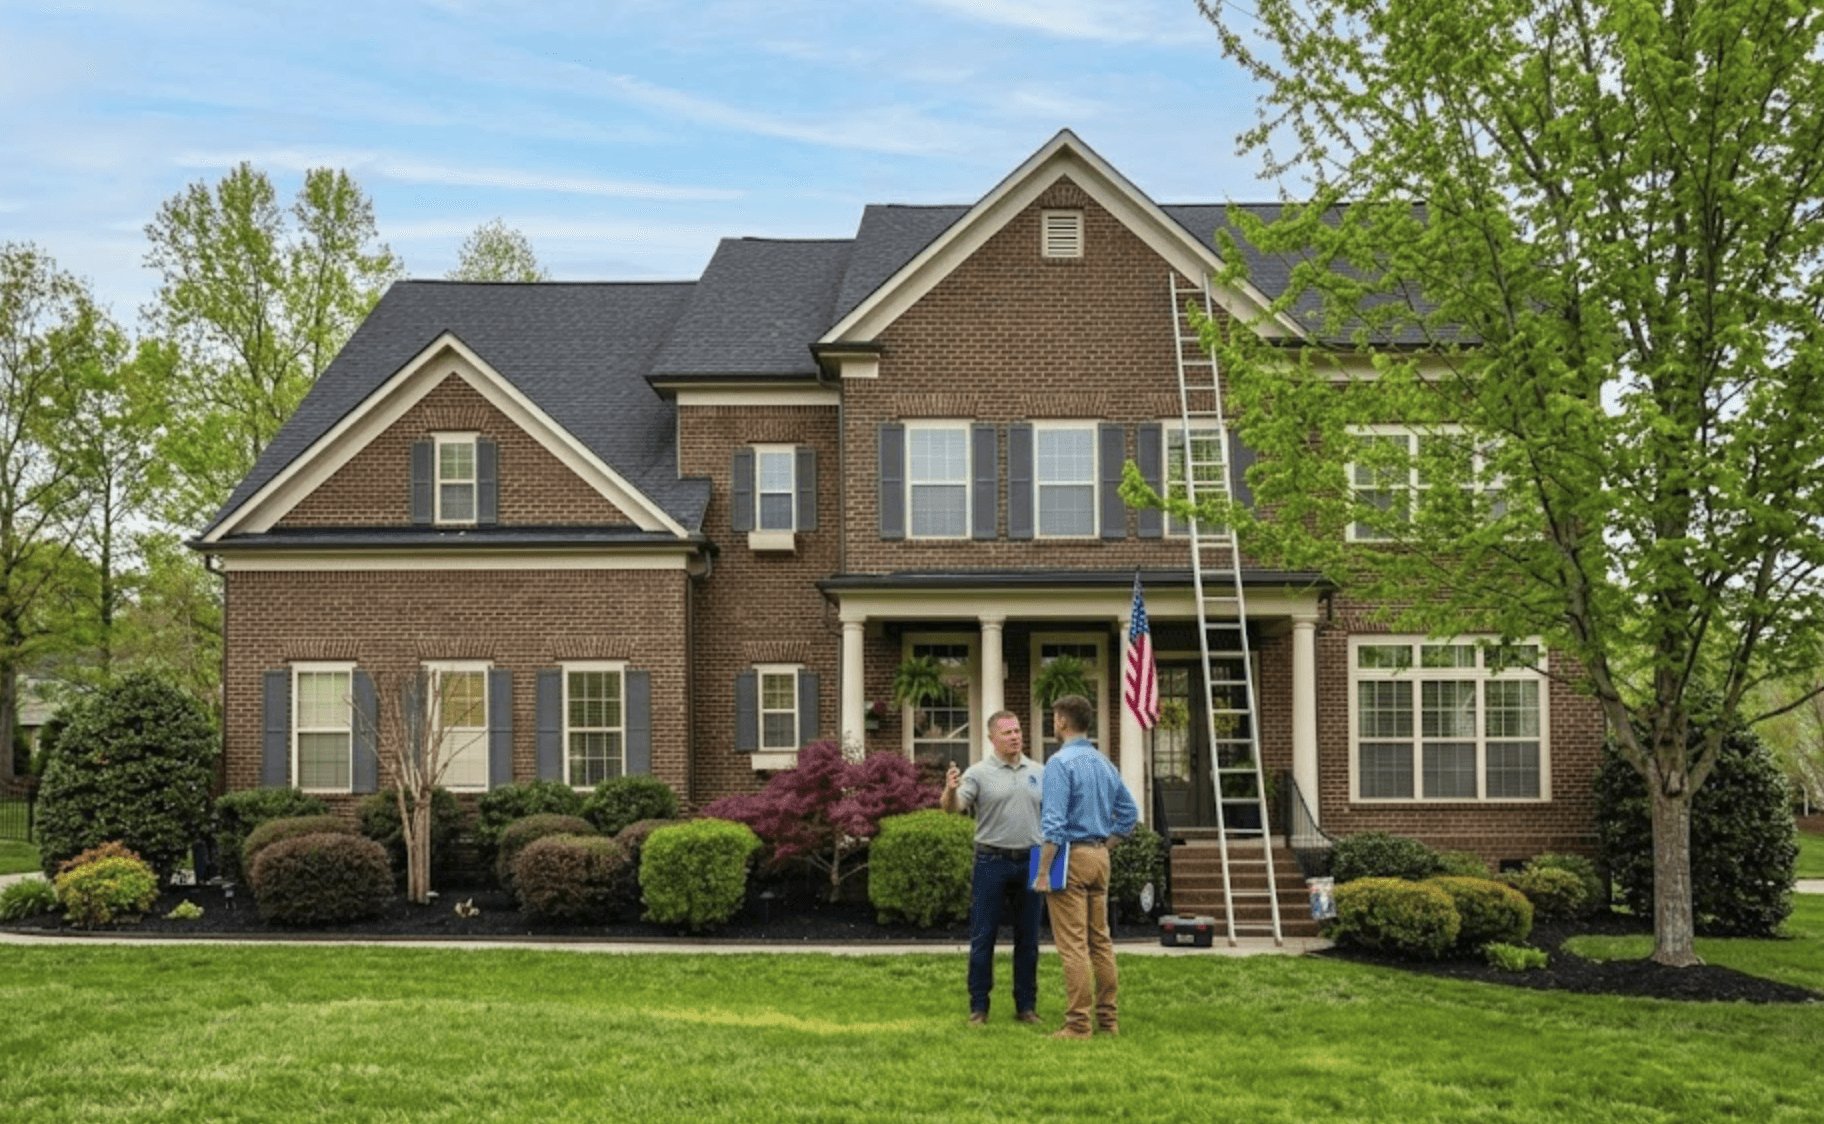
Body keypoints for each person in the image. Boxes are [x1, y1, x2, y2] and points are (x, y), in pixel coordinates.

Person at [1032, 693, 1138, 1039]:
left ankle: (1078, 1024)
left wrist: (1044, 871)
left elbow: (1054, 825)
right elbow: (1130, 815)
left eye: (1054, 718)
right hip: (1099, 857)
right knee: (1100, 942)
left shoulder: (1059, 764)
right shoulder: (1105, 763)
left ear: (1062, 722)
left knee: (1073, 945)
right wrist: (1106, 844)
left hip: (1070, 858)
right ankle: (1109, 1022)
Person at [942, 710, 1046, 1026]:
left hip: (1033, 861)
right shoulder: (978, 773)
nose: (1015, 737)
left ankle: (1026, 1007)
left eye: (1017, 731)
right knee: (983, 936)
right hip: (991, 861)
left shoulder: (1040, 772)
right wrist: (949, 789)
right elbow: (953, 808)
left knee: (1028, 939)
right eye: (1007, 733)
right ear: (992, 739)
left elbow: (1054, 818)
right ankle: (979, 1008)